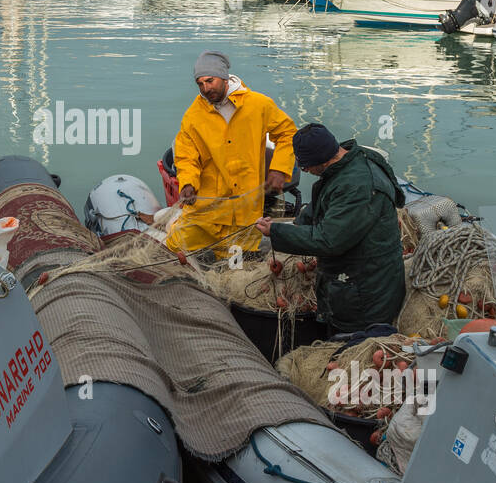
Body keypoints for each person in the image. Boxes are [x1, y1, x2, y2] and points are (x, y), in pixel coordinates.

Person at [255, 123, 405, 335]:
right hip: (351, 280)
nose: (305, 170)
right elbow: (323, 206)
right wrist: (296, 225)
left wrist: (277, 232)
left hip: (367, 290)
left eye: (305, 166)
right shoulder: (345, 164)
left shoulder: (357, 186)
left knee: (354, 344)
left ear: (321, 160)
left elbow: (329, 240)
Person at [168, 51, 297, 255]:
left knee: (238, 261)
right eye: (200, 83)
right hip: (208, 208)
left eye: (210, 81)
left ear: (224, 77)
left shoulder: (258, 104)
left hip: (245, 207)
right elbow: (186, 156)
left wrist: (279, 169)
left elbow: (288, 134)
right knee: (175, 247)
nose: (206, 88)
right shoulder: (193, 116)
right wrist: (188, 183)